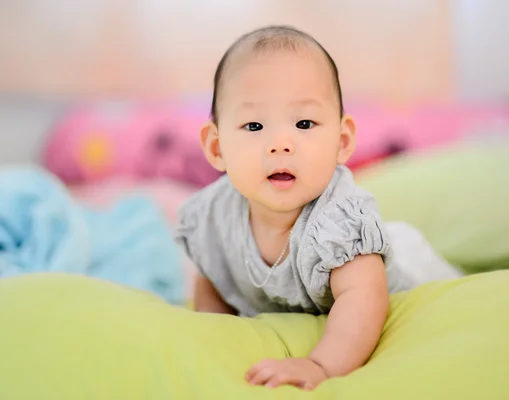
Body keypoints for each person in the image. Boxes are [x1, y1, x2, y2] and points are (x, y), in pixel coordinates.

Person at [176, 25, 456, 391]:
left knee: (444, 290)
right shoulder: (212, 215)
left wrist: (320, 365)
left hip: (407, 272)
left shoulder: (338, 221)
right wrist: (214, 337)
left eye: (304, 123)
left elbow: (363, 300)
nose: (280, 144)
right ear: (216, 148)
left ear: (341, 142)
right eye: (254, 125)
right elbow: (213, 274)